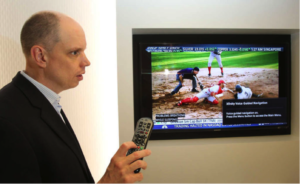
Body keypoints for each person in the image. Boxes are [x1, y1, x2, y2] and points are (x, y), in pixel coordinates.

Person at [0, 11, 151, 184]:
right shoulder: (7, 120)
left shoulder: (45, 102)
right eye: (74, 52)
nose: (86, 61)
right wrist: (108, 181)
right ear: (40, 56)